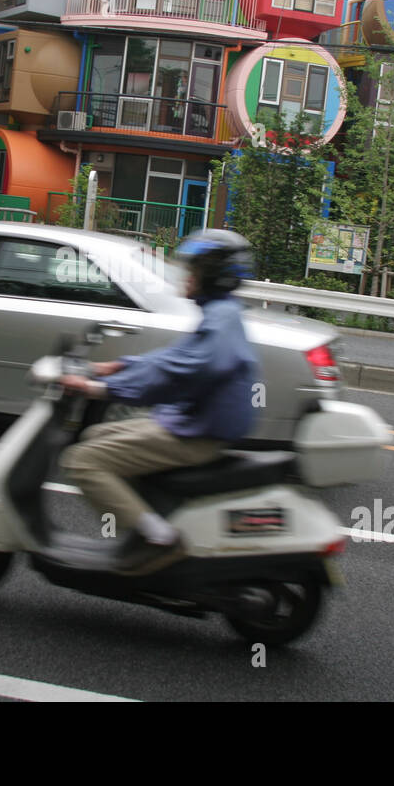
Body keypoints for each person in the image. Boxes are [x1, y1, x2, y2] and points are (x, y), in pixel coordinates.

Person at [59, 229, 260, 576]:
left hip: (197, 434)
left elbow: (177, 372)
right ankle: (151, 520)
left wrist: (100, 389)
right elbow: (175, 358)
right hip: (189, 423)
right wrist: (120, 366)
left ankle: (159, 539)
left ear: (210, 276)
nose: (186, 275)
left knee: (81, 461)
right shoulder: (221, 313)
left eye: (194, 269)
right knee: (95, 437)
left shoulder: (221, 320)